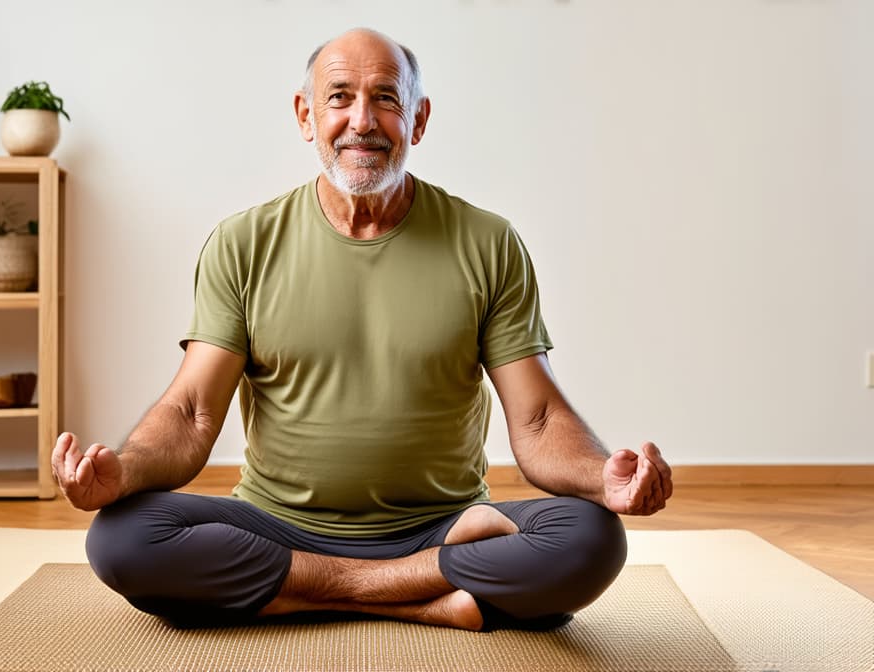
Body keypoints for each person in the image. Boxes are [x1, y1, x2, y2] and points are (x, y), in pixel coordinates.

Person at [52, 27, 673, 632]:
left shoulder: (487, 242)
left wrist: (603, 478)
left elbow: (536, 421)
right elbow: (190, 413)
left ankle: (292, 593)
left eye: (385, 99)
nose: (362, 121)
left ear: (419, 120)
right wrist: (125, 470)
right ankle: (425, 597)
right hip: (276, 523)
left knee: (590, 538)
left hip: (444, 521)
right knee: (122, 538)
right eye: (340, 96)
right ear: (305, 115)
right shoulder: (243, 244)